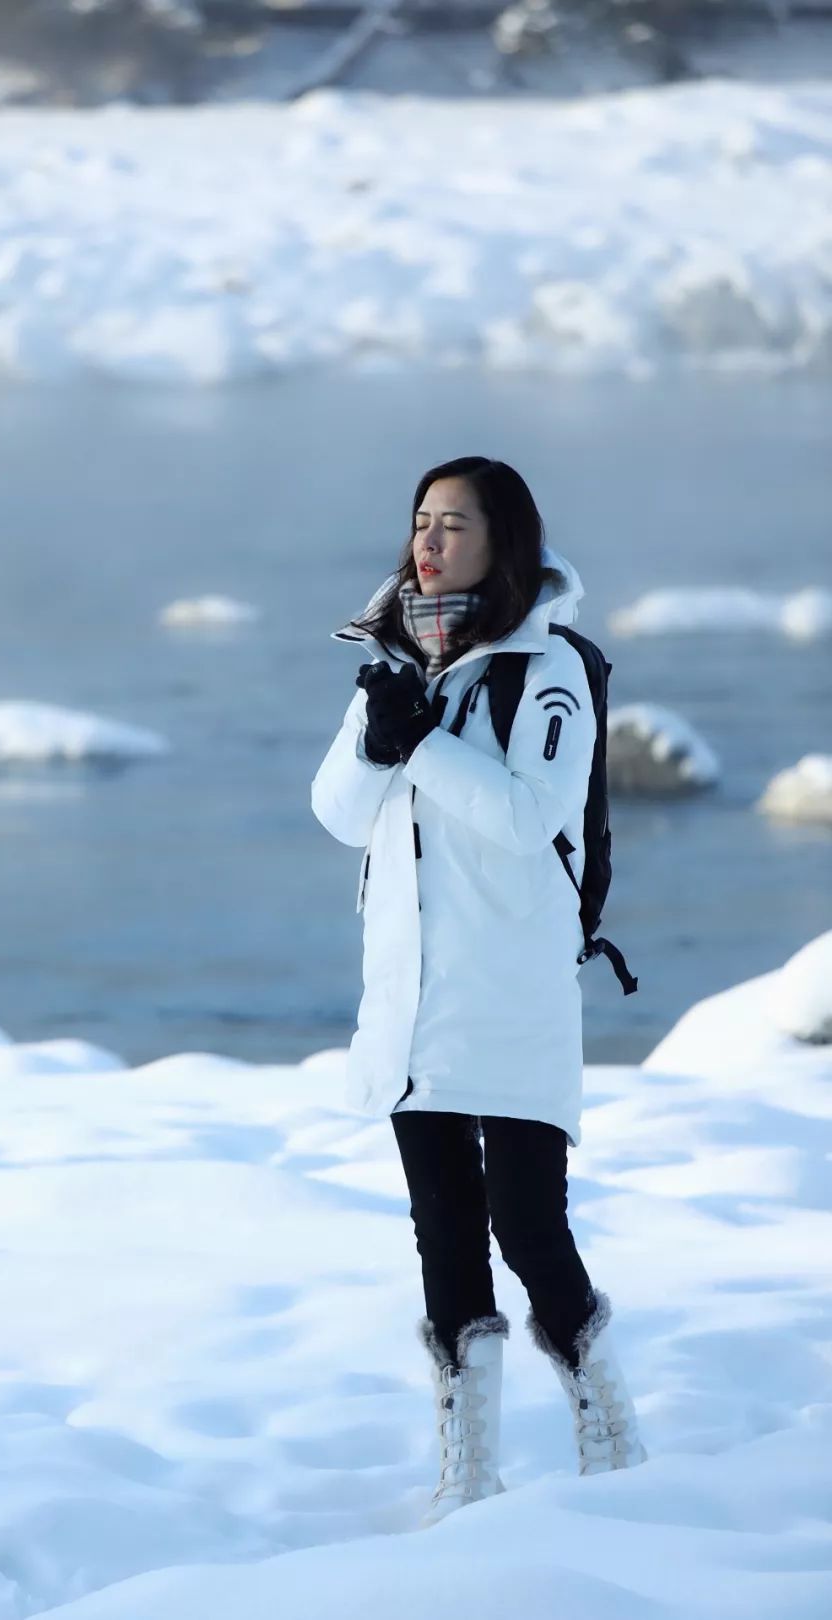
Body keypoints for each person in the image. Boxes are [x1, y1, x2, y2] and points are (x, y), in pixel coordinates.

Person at [310, 456, 648, 1528]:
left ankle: (611, 1433)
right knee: (443, 1230)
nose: (430, 540)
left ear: (506, 539)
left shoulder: (545, 671)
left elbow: (522, 814)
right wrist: (379, 735)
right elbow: (336, 812)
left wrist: (422, 741)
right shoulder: (398, 655)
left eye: (454, 522)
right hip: (413, 999)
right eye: (421, 520)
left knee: (526, 1223)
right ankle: (468, 1472)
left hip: (510, 997)